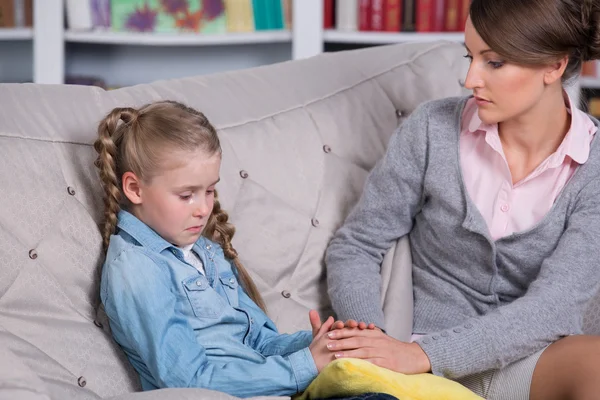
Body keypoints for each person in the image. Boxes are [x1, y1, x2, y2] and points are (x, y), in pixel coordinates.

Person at [324, 0, 600, 399]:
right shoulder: (430, 130)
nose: (469, 78)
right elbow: (357, 245)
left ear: (554, 66)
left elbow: (556, 306)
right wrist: (375, 344)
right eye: (470, 56)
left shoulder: (596, 167)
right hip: (415, 364)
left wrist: (425, 354)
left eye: (494, 62)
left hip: (527, 363)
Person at [93, 100, 343, 398]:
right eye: (187, 195)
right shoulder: (136, 268)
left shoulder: (207, 252)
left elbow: (259, 344)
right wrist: (304, 366)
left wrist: (318, 345)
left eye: (210, 191)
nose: (203, 209)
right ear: (134, 189)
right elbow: (191, 380)